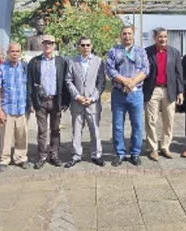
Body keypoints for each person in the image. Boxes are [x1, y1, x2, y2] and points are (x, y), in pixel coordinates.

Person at [105, 25, 149, 167]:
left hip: (136, 94)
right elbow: (110, 70)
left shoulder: (141, 51)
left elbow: (145, 69)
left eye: (129, 33)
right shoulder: (114, 51)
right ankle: (120, 153)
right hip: (119, 94)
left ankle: (135, 153)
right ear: (120, 36)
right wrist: (124, 81)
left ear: (133, 35)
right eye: (124, 34)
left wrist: (132, 83)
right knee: (118, 126)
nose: (127, 36)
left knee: (137, 125)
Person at [27, 35, 71, 169]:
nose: (48, 46)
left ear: (54, 45)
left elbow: (65, 82)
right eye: (45, 43)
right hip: (40, 102)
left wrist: (66, 101)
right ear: (42, 45)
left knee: (55, 129)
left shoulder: (61, 61)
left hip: (56, 100)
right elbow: (29, 82)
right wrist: (31, 101)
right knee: (42, 131)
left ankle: (54, 154)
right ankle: (41, 156)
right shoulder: (34, 62)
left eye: (50, 43)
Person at [64, 36, 106, 168]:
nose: (85, 47)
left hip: (92, 103)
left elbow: (101, 82)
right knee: (76, 130)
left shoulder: (99, 61)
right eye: (82, 45)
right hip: (77, 102)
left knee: (95, 129)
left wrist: (93, 98)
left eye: (88, 45)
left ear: (91, 46)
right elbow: (68, 80)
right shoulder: (72, 61)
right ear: (79, 47)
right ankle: (76, 155)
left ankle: (96, 155)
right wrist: (77, 96)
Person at [142, 28, 184, 161]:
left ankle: (165, 146)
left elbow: (179, 74)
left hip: (169, 90)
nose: (163, 39)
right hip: (152, 90)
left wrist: (180, 91)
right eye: (160, 37)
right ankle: (153, 148)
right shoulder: (147, 52)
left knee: (168, 120)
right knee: (151, 120)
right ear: (155, 38)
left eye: (165, 37)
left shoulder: (175, 53)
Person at [0, 42, 32, 173]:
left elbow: (30, 87)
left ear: (20, 53)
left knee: (22, 136)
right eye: (12, 51)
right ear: (8, 53)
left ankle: (20, 158)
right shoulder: (1, 68)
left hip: (22, 108)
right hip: (7, 109)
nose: (15, 54)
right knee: (5, 137)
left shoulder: (25, 68)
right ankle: (4, 159)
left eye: (17, 51)